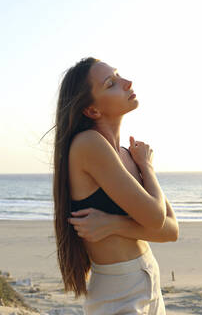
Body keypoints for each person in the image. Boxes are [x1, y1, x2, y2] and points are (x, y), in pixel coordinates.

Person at [51, 56, 179, 314]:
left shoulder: (126, 154)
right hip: (118, 292)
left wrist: (114, 224)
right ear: (92, 110)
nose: (127, 82)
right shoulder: (88, 144)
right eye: (111, 83)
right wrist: (147, 167)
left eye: (119, 75)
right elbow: (155, 219)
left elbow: (171, 230)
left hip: (149, 278)